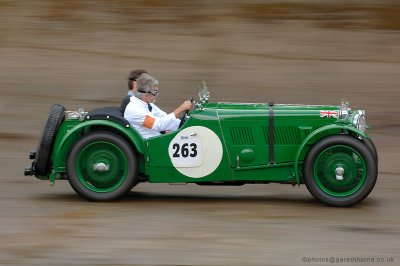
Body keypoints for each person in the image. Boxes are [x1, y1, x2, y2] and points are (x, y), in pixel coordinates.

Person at [124, 73, 192, 139]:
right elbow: (159, 125)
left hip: (157, 136)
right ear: (146, 95)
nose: (157, 95)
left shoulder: (148, 104)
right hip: (151, 144)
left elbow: (164, 117)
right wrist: (181, 109)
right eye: (155, 92)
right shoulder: (135, 110)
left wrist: (188, 125)